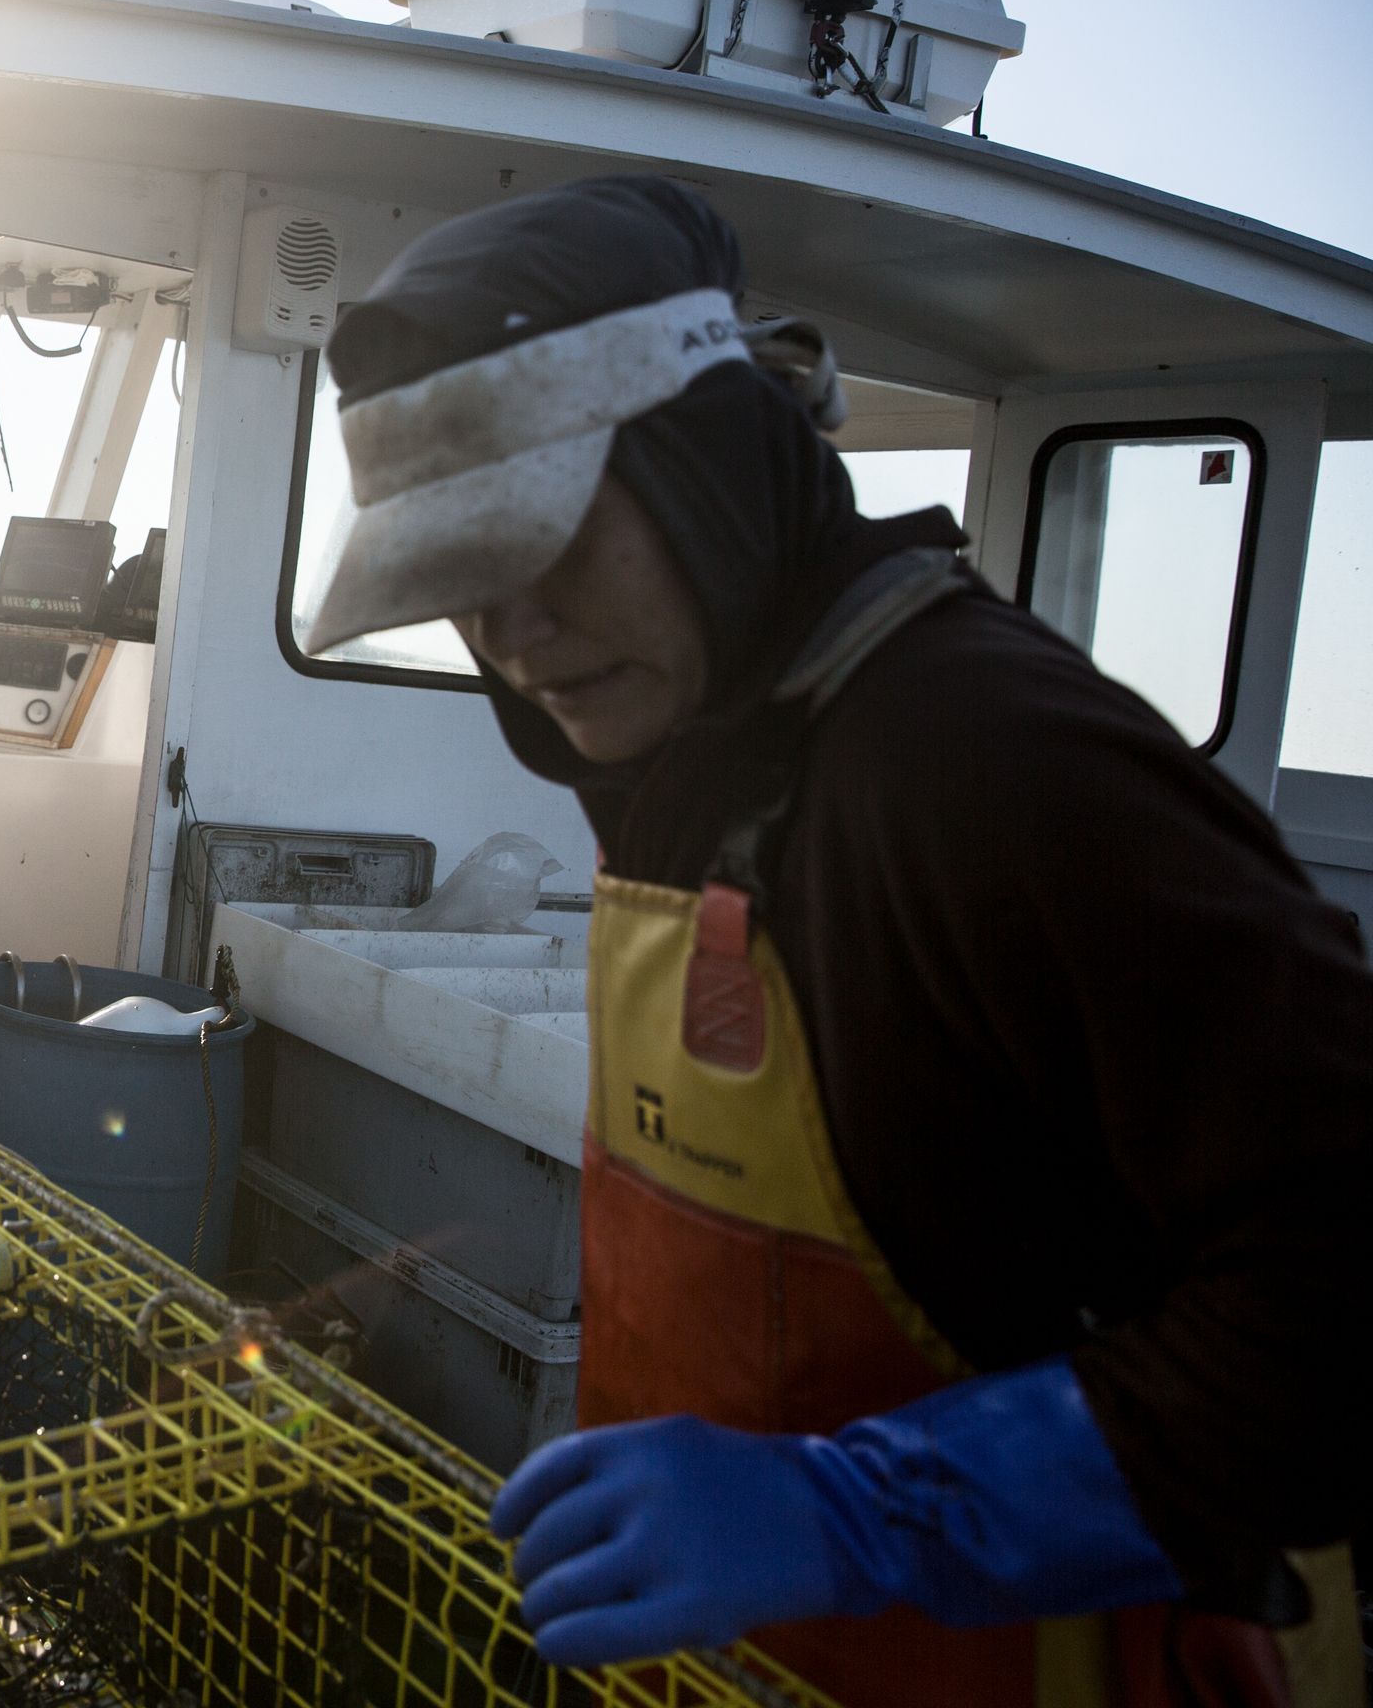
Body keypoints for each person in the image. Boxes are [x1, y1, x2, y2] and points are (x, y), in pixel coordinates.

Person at [300, 175, 1370, 1705]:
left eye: (552, 543)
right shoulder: (691, 748)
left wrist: (866, 1509)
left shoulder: (983, 760)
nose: (518, 637)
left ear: (702, 468)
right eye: (462, 582)